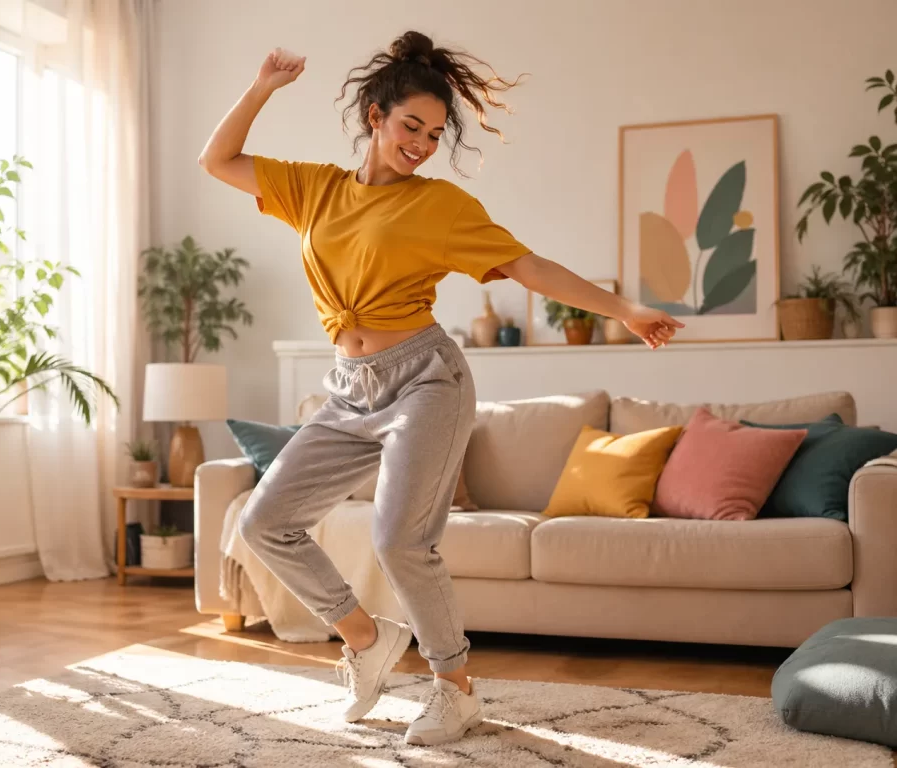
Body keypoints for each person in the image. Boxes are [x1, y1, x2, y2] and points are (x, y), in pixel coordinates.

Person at [199, 30, 683, 746]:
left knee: (400, 541)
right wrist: (263, 87)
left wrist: (624, 309)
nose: (421, 143)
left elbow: (530, 268)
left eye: (432, 134)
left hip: (427, 380)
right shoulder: (314, 190)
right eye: (410, 126)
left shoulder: (442, 207)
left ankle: (455, 691)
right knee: (264, 521)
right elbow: (218, 160)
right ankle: (365, 639)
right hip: (349, 388)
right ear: (374, 115)